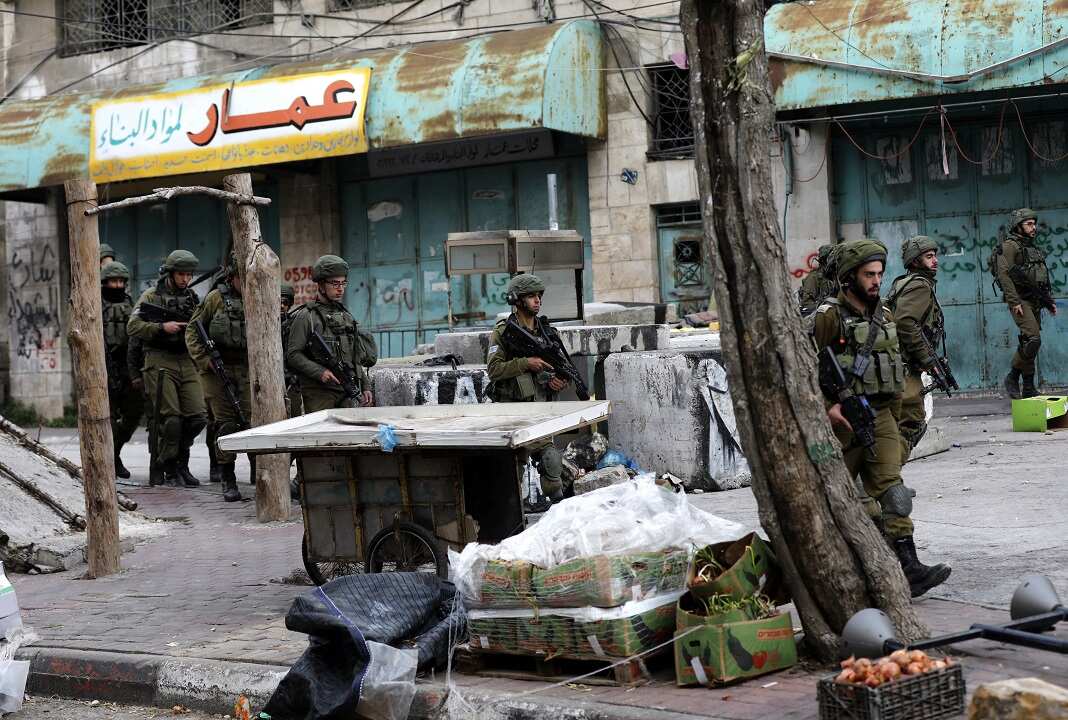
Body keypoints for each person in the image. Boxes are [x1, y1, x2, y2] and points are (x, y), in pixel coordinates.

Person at [811, 239, 951, 598]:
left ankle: (910, 566)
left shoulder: (884, 315)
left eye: (878, 274)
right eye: (868, 275)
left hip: (883, 414)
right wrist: (829, 404)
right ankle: (855, 568)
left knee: (894, 490)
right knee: (843, 498)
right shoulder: (829, 317)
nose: (876, 281)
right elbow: (807, 365)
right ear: (849, 277)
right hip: (842, 423)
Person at [127, 250, 207, 488]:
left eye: (189, 275)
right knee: (171, 420)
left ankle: (180, 460)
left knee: (198, 417)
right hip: (159, 359)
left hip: (186, 360)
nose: (185, 279)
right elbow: (133, 326)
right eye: (181, 274)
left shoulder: (193, 298)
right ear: (171, 274)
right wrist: (162, 327)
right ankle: (166, 463)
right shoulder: (151, 296)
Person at [486, 274, 567, 506]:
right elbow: (494, 369)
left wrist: (558, 380)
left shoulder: (548, 333)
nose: (537, 300)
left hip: (539, 411)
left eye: (539, 295)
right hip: (511, 413)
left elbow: (562, 368)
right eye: (531, 296)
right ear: (517, 300)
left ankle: (560, 513)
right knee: (511, 470)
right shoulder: (503, 331)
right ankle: (509, 521)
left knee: (552, 461)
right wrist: (525, 363)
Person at [186, 264, 251, 503]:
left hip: (246, 369)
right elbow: (193, 331)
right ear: (231, 277)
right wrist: (205, 360)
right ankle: (228, 478)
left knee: (251, 422)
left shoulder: (258, 295)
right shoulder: (215, 299)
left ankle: (259, 474)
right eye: (240, 278)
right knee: (226, 424)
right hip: (217, 370)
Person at [286, 255, 374, 413]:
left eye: (343, 283)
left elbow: (355, 357)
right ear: (320, 285)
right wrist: (320, 372)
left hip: (346, 392)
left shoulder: (346, 316)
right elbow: (293, 354)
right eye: (334, 283)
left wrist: (366, 386)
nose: (340, 288)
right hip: (319, 393)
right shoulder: (307, 316)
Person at [886, 236, 947, 460]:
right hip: (903, 366)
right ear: (914, 261)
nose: (935, 261)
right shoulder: (919, 286)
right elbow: (905, 322)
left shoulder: (904, 282)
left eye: (935, 255)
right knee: (912, 423)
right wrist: (929, 361)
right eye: (929, 257)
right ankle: (888, 482)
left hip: (896, 363)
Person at [995, 209, 1058, 399]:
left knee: (1028, 341)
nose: (1034, 227)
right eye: (1029, 224)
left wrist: (1048, 301)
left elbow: (1039, 277)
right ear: (1018, 226)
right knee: (1033, 339)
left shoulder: (1031, 247)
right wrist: (1014, 301)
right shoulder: (1010, 246)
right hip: (1020, 300)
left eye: (1034, 223)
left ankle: (1029, 387)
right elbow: (1003, 274)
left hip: (1035, 300)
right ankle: (1013, 377)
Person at [101, 261, 142, 480]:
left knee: (134, 414)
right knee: (108, 417)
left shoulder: (129, 303)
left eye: (120, 282)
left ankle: (114, 452)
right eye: (112, 282)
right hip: (104, 367)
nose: (117, 286)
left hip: (127, 366)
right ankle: (110, 459)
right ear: (104, 283)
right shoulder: (95, 304)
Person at [280, 282, 302, 418]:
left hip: (292, 379)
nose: (282, 306)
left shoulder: (294, 324)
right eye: (279, 301)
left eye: (285, 302)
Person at [798, 243, 838, 316]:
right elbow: (806, 303)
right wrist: (823, 307)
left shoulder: (836, 277)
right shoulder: (814, 278)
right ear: (824, 260)